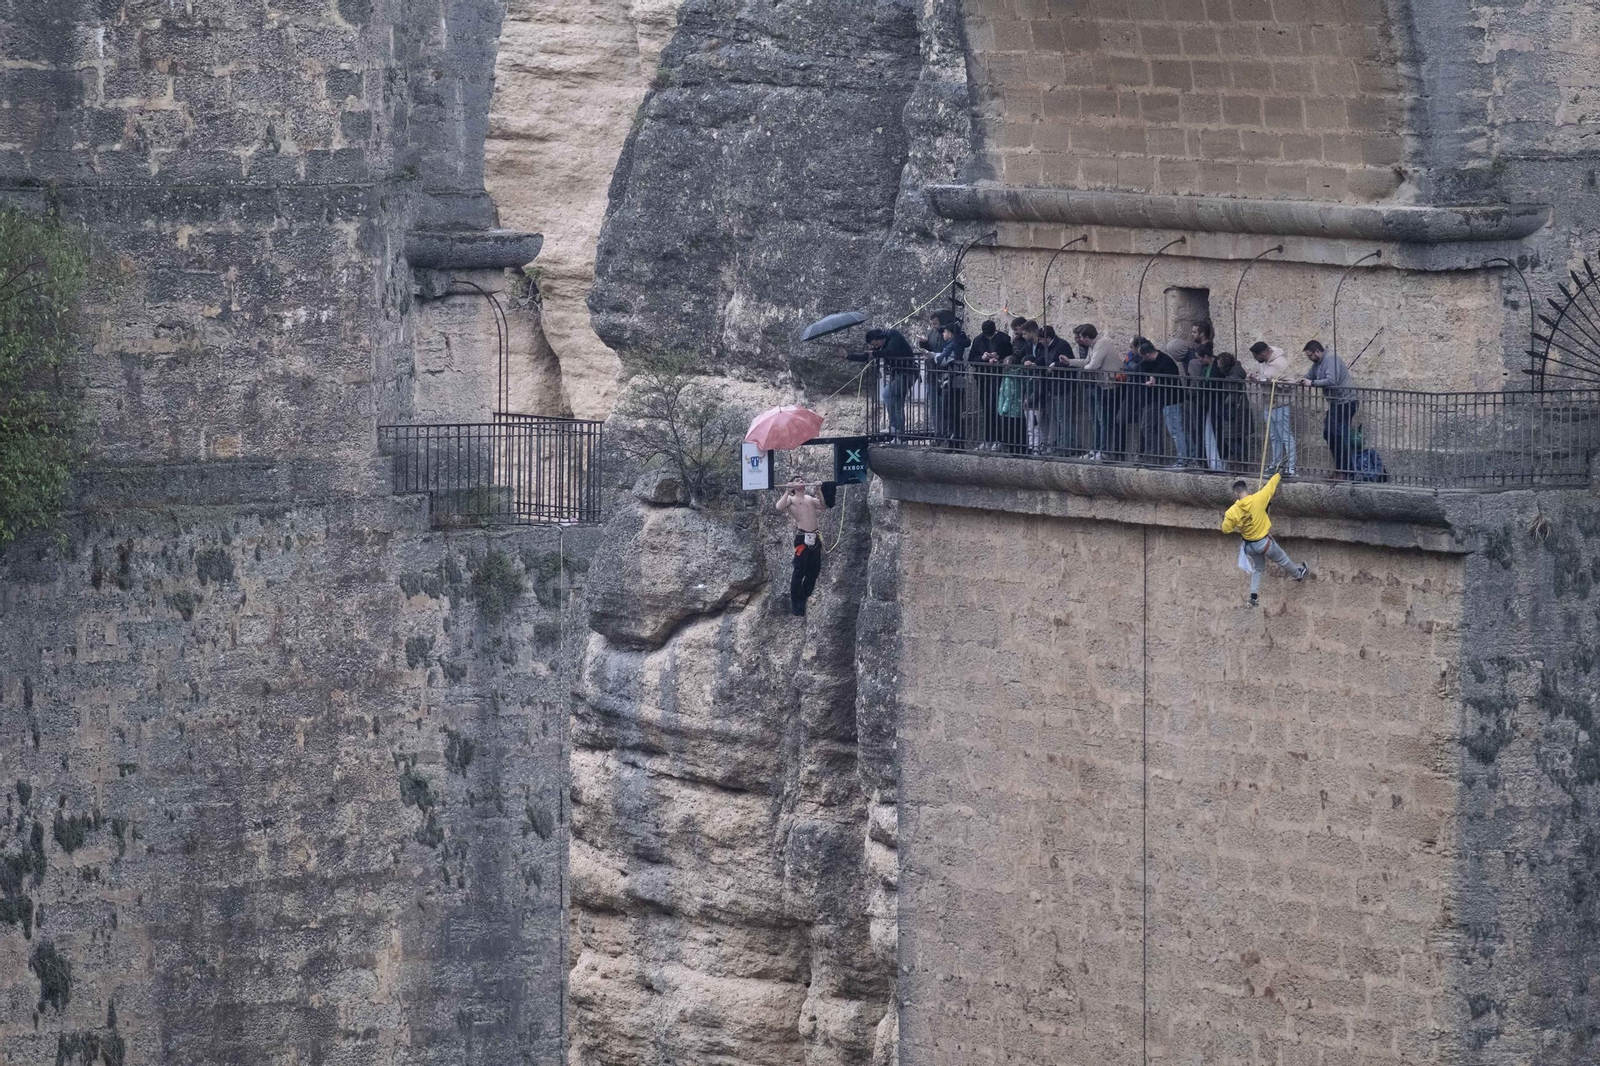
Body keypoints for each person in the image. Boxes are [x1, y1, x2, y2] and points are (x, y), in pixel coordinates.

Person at [1221, 472, 1309, 607]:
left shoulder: (1232, 512)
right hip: (1264, 543)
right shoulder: (1258, 498)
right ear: (1246, 489)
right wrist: (1278, 474)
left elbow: (1226, 529)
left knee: (1258, 568)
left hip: (1249, 546)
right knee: (1282, 559)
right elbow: (1271, 486)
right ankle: (1298, 574)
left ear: (1235, 493)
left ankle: (1253, 597)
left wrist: (1232, 521)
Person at [1299, 340, 1358, 477]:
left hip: (1346, 402)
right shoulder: (1317, 364)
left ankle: (1346, 471)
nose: (1309, 358)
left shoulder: (1331, 359)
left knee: (1339, 435)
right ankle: (1342, 469)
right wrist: (1301, 380)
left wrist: (1312, 383)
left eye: (1309, 355)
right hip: (1335, 403)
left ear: (1317, 352)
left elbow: (1332, 381)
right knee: (1329, 433)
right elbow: (1309, 376)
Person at [776, 480, 833, 617]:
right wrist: (787, 491)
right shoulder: (791, 499)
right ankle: (796, 603)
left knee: (815, 569)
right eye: (797, 480)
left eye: (802, 479)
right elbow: (779, 507)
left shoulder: (809, 498)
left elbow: (824, 505)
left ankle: (804, 595)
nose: (801, 481)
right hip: (802, 538)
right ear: (793, 486)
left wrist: (818, 490)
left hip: (815, 537)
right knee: (799, 571)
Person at [1066, 323, 1119, 460]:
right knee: (1096, 420)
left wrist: (1083, 370)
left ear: (1087, 337)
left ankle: (1104, 451)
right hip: (1099, 385)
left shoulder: (1101, 344)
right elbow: (1087, 361)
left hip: (1107, 386)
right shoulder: (1093, 345)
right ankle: (1095, 449)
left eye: (1082, 338)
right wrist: (1070, 362)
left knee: (1103, 420)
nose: (1080, 340)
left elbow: (1094, 364)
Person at [1137, 338, 1192, 469]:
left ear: (1147, 355)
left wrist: (1155, 381)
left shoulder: (1165, 361)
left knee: (1176, 431)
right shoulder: (1158, 360)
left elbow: (1169, 380)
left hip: (1172, 400)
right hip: (1167, 400)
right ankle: (1188, 458)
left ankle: (1183, 460)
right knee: (1178, 430)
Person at [856, 327, 916, 439]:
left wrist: (874, 353)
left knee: (887, 393)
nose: (876, 346)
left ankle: (894, 425)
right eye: (874, 345)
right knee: (898, 404)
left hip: (908, 373)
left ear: (880, 338)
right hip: (896, 374)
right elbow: (866, 356)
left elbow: (890, 352)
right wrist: (847, 356)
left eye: (876, 344)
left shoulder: (894, 336)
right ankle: (900, 437)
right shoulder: (881, 345)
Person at [1247, 341, 1296, 477]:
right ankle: (1276, 463)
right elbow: (1265, 378)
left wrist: (1274, 383)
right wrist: (1256, 378)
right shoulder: (1263, 363)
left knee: (1286, 436)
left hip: (1280, 404)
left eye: (1256, 357)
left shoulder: (1280, 362)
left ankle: (1292, 467)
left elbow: (1291, 383)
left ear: (1263, 354)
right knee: (1274, 437)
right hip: (1267, 404)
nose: (1255, 360)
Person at [969, 319, 1013, 450]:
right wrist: (982, 358)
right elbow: (971, 359)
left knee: (998, 408)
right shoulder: (978, 340)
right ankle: (989, 438)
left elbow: (1010, 356)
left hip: (999, 378)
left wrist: (998, 358)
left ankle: (1000, 439)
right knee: (986, 408)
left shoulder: (1004, 339)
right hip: (984, 378)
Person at [929, 322, 969, 444]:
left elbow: (942, 360)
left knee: (949, 412)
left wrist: (932, 356)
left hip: (951, 382)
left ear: (950, 334)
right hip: (957, 381)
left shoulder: (952, 345)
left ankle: (953, 440)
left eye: (945, 332)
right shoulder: (957, 343)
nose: (943, 334)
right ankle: (956, 441)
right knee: (955, 412)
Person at [996, 353, 1027, 454]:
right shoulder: (1018, 375)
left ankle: (1014, 451)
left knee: (1011, 432)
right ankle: (1017, 450)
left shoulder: (1010, 377)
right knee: (1016, 431)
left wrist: (1003, 409)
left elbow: (1010, 394)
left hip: (1010, 410)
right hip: (1017, 409)